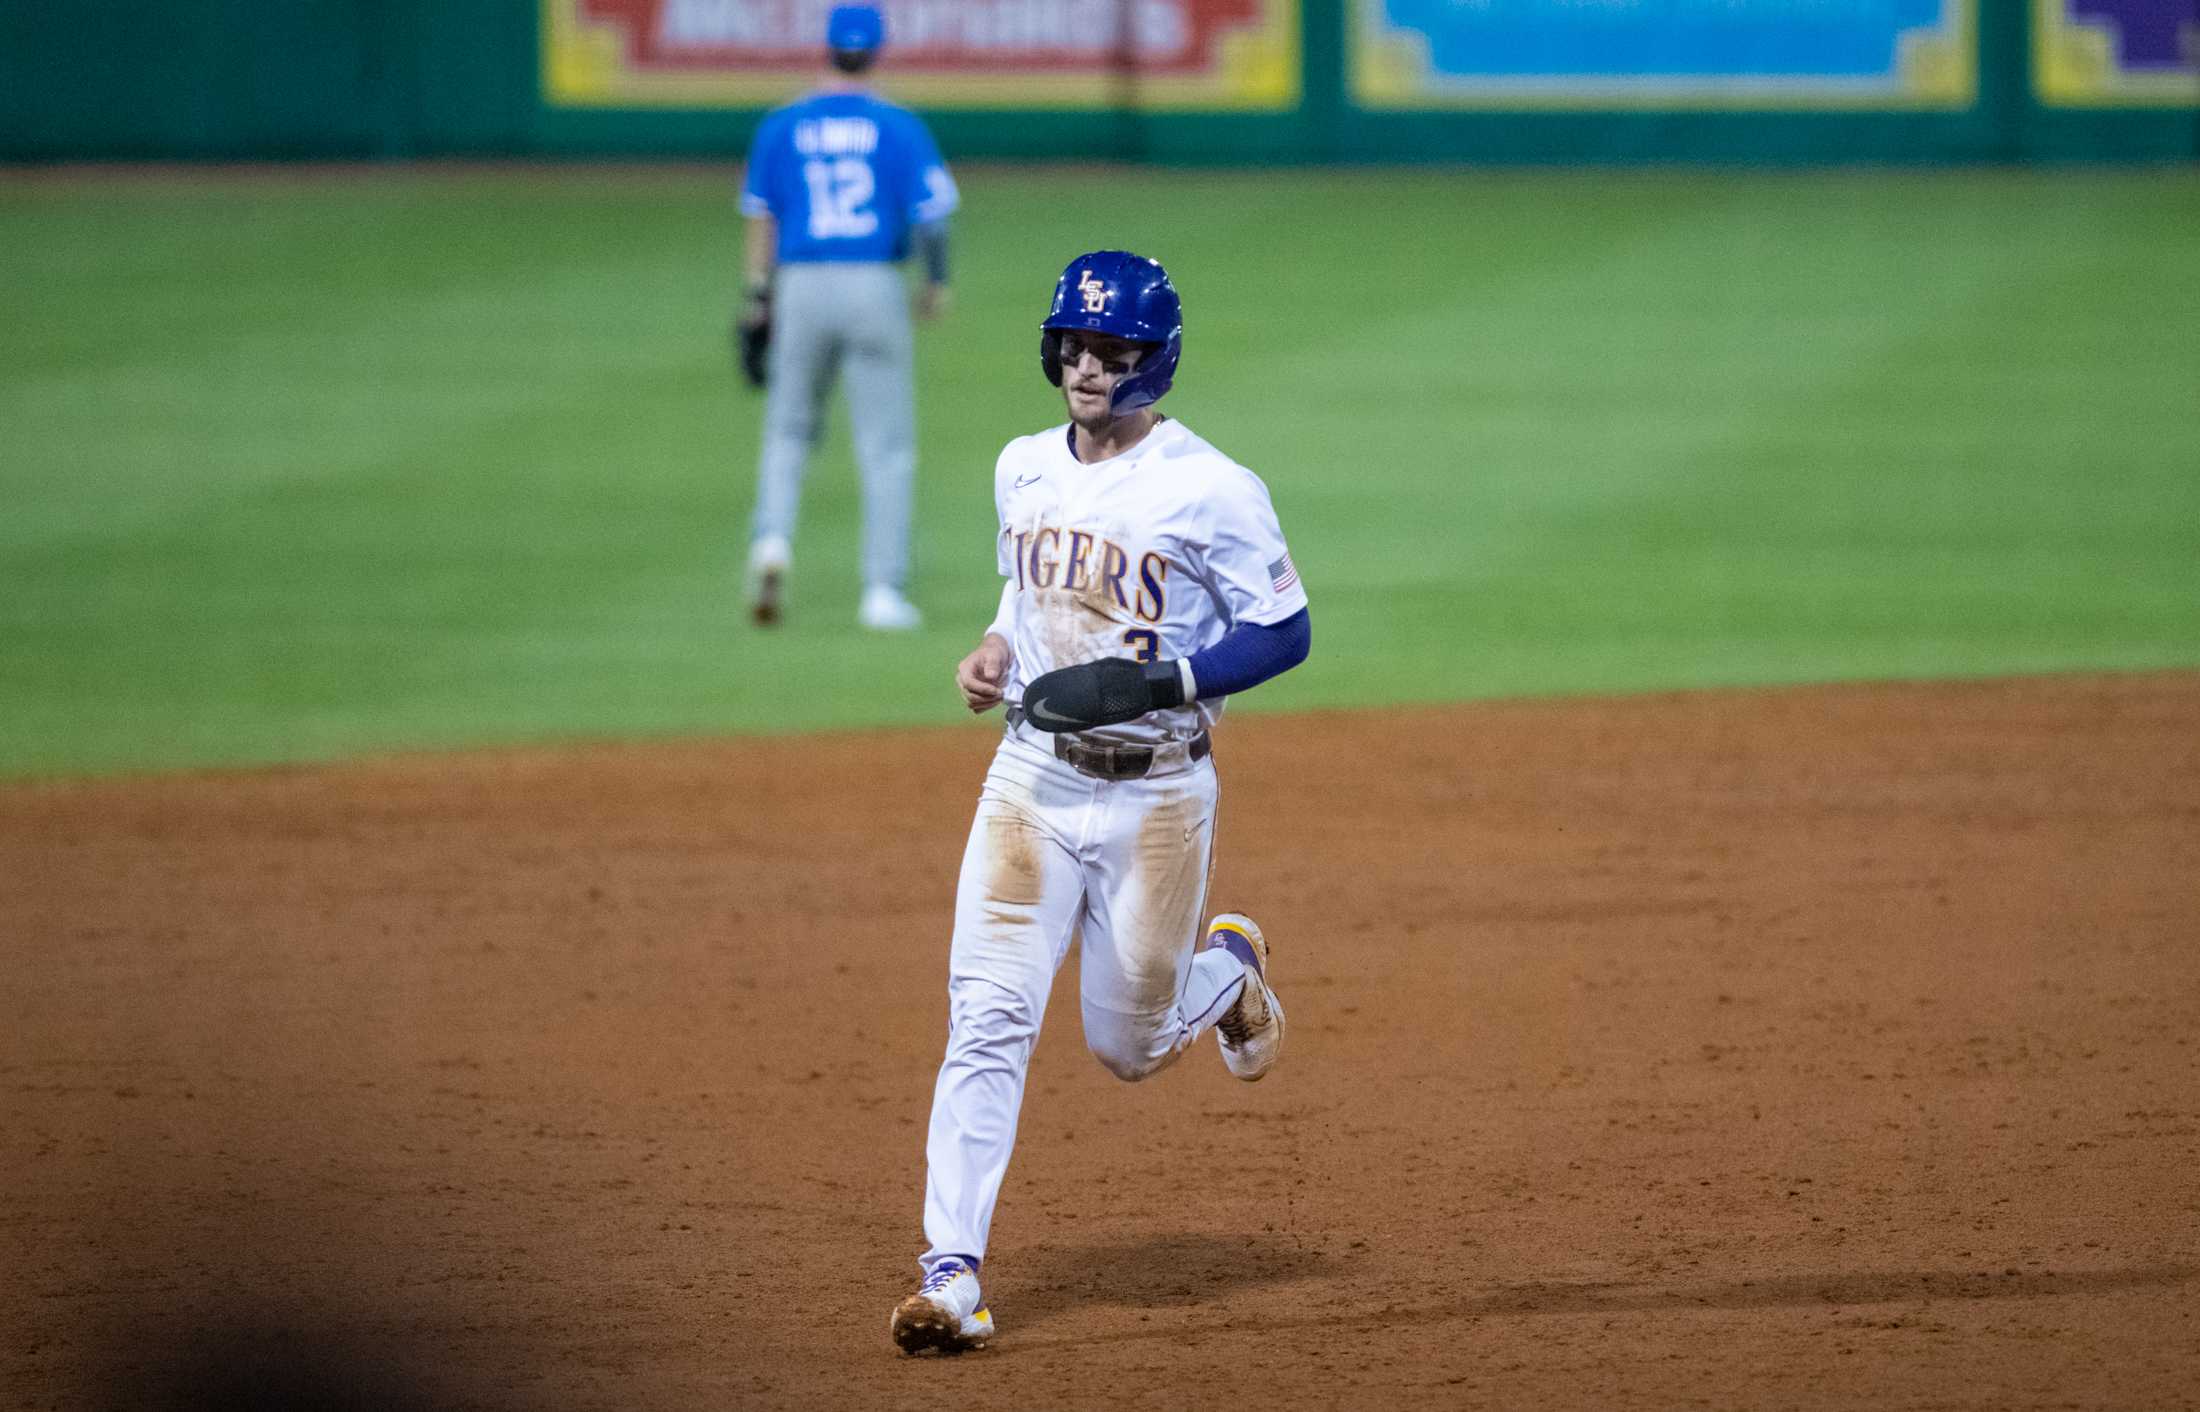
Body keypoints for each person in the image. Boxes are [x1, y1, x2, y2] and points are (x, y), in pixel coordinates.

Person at [888, 250, 1314, 1354]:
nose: (1087, 366)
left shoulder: (1212, 487)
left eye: (1111, 348)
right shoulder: (1022, 465)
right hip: (1029, 778)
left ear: (1152, 356)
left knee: (1127, 1047)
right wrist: (993, 644)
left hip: (1159, 795)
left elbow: (1285, 629)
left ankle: (1225, 974)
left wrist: (1165, 679)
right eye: (1074, 345)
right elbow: (1022, 585)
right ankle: (951, 1273)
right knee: (986, 1020)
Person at [735, 3, 957, 631]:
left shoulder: (783, 124)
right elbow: (933, 218)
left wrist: (758, 294)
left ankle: (772, 539)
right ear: (876, 51)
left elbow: (761, 216)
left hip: (800, 282)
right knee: (885, 446)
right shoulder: (898, 126)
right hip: (873, 284)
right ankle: (882, 591)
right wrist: (936, 283)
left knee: (787, 429)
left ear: (826, 49)